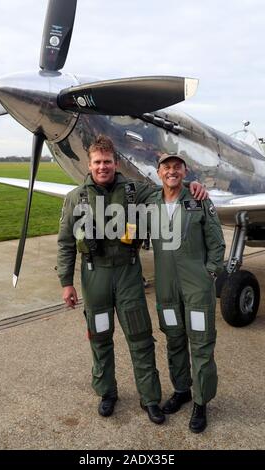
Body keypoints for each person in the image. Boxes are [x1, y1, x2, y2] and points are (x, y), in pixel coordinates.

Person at [57, 135, 207, 424]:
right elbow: (65, 242)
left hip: (127, 274)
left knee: (140, 338)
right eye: (98, 162)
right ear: (89, 165)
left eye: (108, 162)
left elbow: (167, 187)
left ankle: (150, 398)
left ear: (116, 163)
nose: (103, 167)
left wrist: (191, 185)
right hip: (94, 276)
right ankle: (107, 393)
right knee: (100, 337)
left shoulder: (134, 191)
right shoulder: (76, 198)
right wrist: (66, 282)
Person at [148, 152, 225, 433]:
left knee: (201, 344)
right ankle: (182, 390)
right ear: (158, 173)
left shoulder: (198, 199)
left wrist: (210, 274)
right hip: (166, 288)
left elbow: (216, 243)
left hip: (196, 287)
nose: (171, 171)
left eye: (177, 167)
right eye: (166, 167)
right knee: (174, 340)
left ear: (184, 172)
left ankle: (201, 402)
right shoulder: (150, 203)